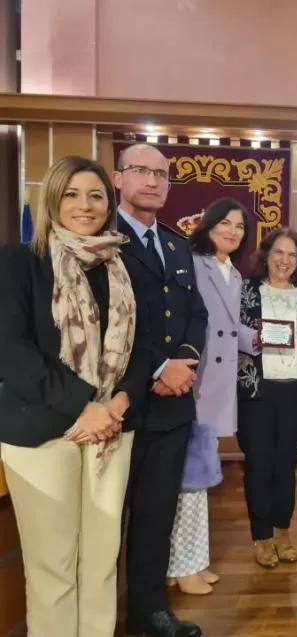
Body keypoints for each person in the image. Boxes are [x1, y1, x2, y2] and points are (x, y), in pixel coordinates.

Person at [0, 156, 147, 637]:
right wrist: (84, 405)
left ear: (109, 204)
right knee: (53, 567)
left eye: (96, 196)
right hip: (42, 432)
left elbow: (144, 348)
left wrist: (117, 404)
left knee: (102, 561)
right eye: (72, 194)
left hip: (111, 430)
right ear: (52, 199)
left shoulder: (123, 267)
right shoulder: (20, 261)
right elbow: (11, 350)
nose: (85, 205)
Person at [115, 144, 208, 637]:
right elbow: (107, 320)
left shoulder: (175, 245)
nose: (152, 181)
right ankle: (96, 614)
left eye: (161, 174)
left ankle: (149, 611)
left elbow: (195, 313)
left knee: (155, 515)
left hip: (173, 408)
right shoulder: (100, 239)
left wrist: (184, 362)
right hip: (119, 406)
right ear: (118, 178)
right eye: (140, 171)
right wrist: (157, 367)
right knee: (107, 519)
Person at [165, 198, 254, 595]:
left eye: (240, 226)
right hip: (191, 382)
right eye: (225, 223)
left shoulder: (232, 272)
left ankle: (193, 562)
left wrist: (262, 339)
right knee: (187, 479)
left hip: (216, 386)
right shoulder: (190, 262)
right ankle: (181, 566)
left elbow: (230, 328)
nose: (233, 231)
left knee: (197, 480)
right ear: (208, 224)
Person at [237, 227, 297, 568]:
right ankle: (261, 536)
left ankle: (282, 530)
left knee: (286, 464)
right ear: (266, 255)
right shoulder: (246, 291)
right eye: (278, 252)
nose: (284, 260)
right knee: (259, 464)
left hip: (295, 392)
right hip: (256, 391)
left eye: (292, 255)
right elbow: (228, 333)